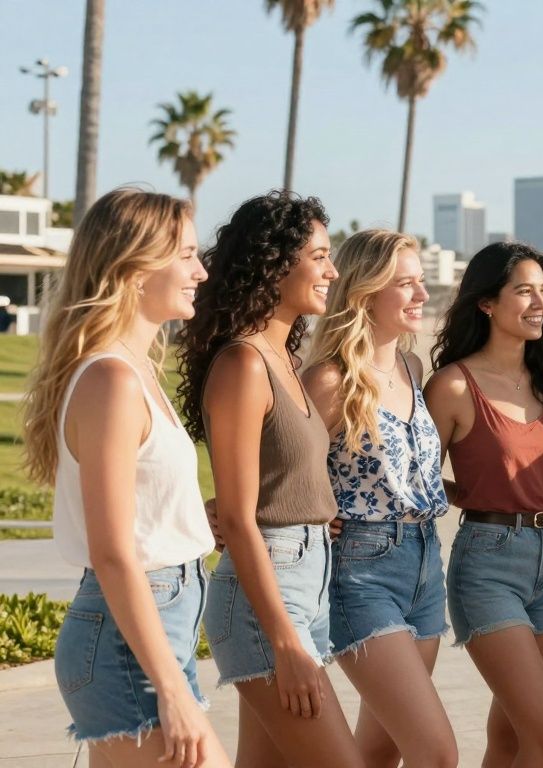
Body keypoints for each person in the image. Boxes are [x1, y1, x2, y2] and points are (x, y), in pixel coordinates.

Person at [25, 188, 227, 767]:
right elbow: (114, 552)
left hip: (153, 626)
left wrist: (195, 520)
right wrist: (170, 688)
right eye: (186, 254)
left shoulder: (135, 370)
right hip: (128, 641)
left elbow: (141, 515)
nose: (201, 270)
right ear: (136, 268)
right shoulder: (111, 380)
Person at [177, 191, 360, 767]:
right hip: (267, 600)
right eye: (320, 256)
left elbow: (271, 483)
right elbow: (236, 515)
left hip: (306, 580)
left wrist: (314, 507)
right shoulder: (244, 363)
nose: (332, 271)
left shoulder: (284, 361)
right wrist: (283, 640)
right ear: (275, 264)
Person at [303, 229, 457, 767]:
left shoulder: (412, 369)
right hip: (361, 571)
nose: (421, 296)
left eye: (421, 283)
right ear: (365, 292)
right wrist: (313, 514)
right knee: (437, 753)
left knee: (381, 751)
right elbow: (279, 469)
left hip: (424, 564)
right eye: (406, 285)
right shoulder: (330, 379)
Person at [423, 241, 543, 767]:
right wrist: (471, 493)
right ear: (487, 303)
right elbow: (416, 480)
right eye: (524, 291)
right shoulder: (452, 386)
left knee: (512, 735)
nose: (540, 303)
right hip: (488, 564)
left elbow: (542, 477)